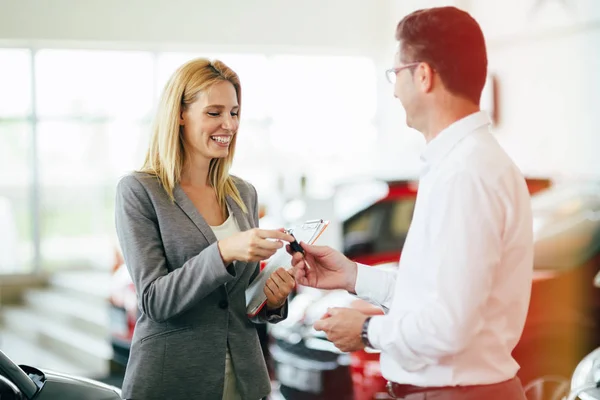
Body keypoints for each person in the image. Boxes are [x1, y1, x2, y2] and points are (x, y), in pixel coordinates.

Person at [290, 6, 533, 400]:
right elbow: (434, 295)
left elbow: (448, 325)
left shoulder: (466, 174)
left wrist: (366, 331)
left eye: (396, 74)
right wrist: (353, 276)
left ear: (423, 75)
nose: (394, 91)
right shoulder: (459, 164)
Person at [115, 58, 296, 400]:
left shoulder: (243, 193)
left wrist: (271, 299)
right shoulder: (140, 191)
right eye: (214, 112)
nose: (228, 124)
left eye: (234, 112)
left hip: (245, 383)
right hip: (172, 383)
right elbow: (154, 300)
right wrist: (224, 251)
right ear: (180, 114)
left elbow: (237, 302)